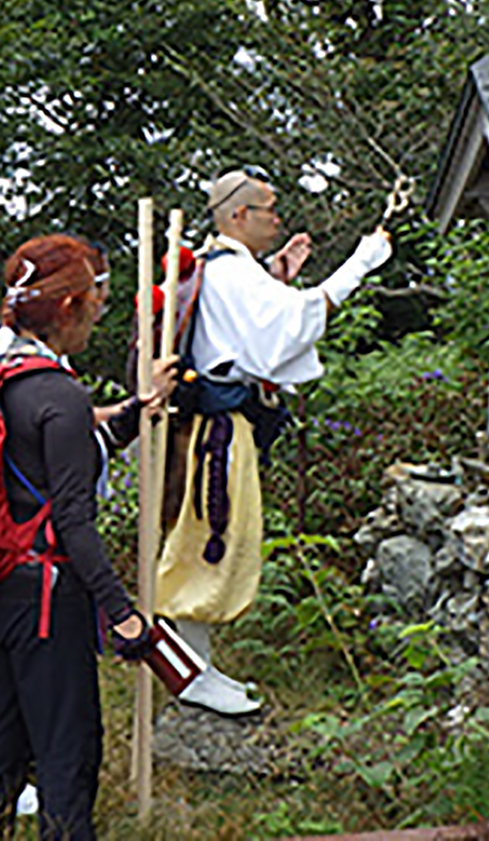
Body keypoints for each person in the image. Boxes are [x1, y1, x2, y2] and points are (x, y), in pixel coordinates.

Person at [155, 167, 392, 715]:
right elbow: (290, 325)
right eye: (269, 208)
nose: (278, 217)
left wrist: (276, 273)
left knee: (210, 537)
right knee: (209, 539)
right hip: (217, 431)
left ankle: (199, 666)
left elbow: (260, 324)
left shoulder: (227, 268)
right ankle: (190, 673)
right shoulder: (233, 274)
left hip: (213, 427)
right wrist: (360, 262)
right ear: (240, 215)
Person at [0, 235, 155, 841]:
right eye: (96, 296)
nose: (101, 308)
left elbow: (37, 470)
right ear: (67, 308)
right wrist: (120, 611)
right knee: (67, 753)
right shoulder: (62, 395)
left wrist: (131, 417)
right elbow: (73, 519)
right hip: (44, 599)